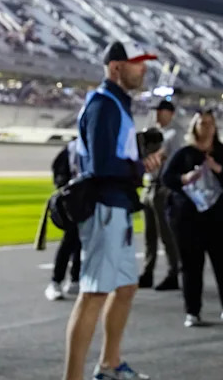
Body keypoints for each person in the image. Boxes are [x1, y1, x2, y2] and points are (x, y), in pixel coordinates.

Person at [62, 41, 163, 380]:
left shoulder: (115, 103)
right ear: (116, 67)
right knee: (93, 293)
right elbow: (102, 164)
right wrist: (138, 167)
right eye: (138, 63)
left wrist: (138, 164)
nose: (143, 69)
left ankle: (109, 363)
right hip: (104, 207)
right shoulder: (104, 105)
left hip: (116, 207)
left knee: (126, 287)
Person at [161, 110, 223, 327]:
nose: (206, 127)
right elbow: (167, 178)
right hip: (188, 217)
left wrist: (218, 168)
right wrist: (184, 178)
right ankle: (192, 312)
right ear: (194, 127)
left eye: (210, 123)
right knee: (191, 265)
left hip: (220, 217)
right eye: (202, 123)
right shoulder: (184, 153)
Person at [139, 100, 181, 290]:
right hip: (150, 185)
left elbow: (158, 158)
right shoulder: (153, 132)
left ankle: (173, 272)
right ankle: (148, 272)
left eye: (160, 111)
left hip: (164, 187)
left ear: (170, 113)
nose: (156, 115)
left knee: (166, 234)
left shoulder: (174, 133)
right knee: (149, 235)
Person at [45, 138, 82, 301]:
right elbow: (58, 170)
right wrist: (64, 187)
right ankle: (56, 281)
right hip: (74, 200)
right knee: (70, 240)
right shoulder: (73, 147)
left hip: (87, 199)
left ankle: (76, 278)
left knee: (81, 241)